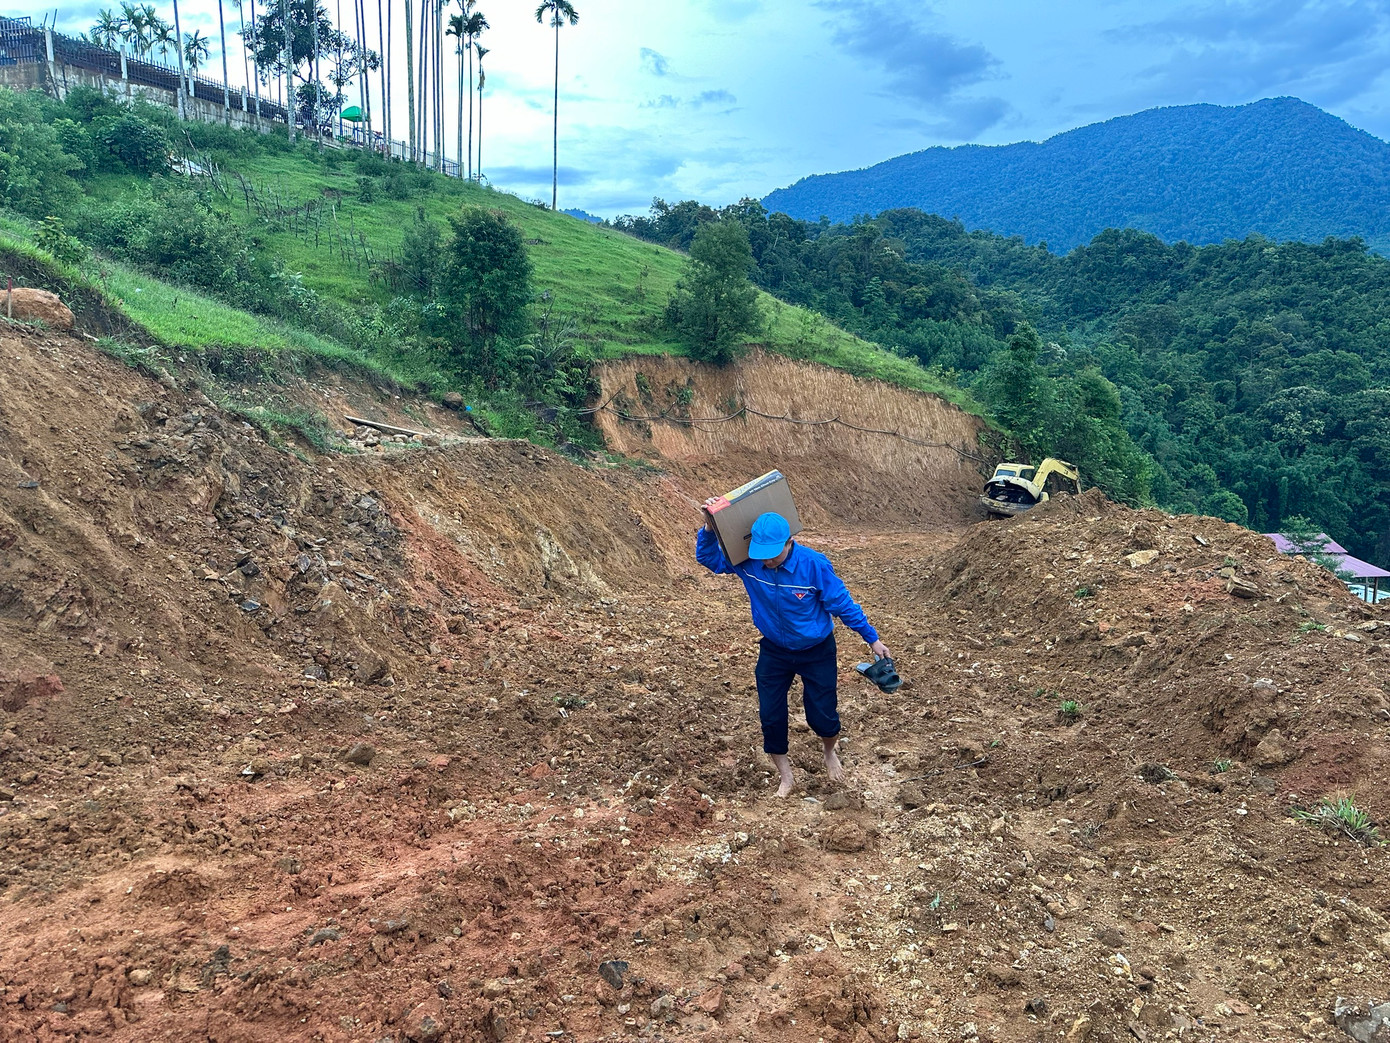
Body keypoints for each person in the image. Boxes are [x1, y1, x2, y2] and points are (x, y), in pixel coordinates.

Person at [696, 504, 890, 797]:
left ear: (789, 542)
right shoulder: (748, 560)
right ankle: (786, 777)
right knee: (771, 716)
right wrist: (710, 529)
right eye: (762, 552)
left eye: (773, 552)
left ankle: (829, 752)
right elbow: (707, 557)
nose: (767, 560)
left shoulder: (813, 565)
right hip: (774, 650)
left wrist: (872, 639)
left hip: (816, 650)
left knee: (822, 717)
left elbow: (842, 605)